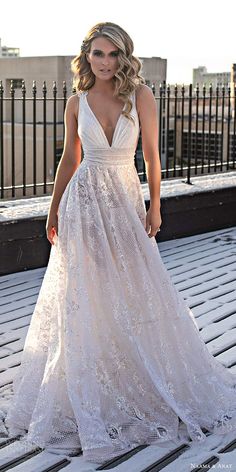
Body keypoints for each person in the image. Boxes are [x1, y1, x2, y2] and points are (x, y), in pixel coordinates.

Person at [1, 21, 236, 466]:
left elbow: (151, 154)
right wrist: (53, 210)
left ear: (123, 56)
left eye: (111, 54)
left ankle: (133, 369)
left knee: (134, 286)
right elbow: (70, 158)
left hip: (125, 201)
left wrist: (155, 206)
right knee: (86, 293)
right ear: (86, 57)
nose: (104, 61)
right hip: (83, 203)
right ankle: (91, 377)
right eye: (97, 53)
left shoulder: (140, 95)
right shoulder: (75, 102)